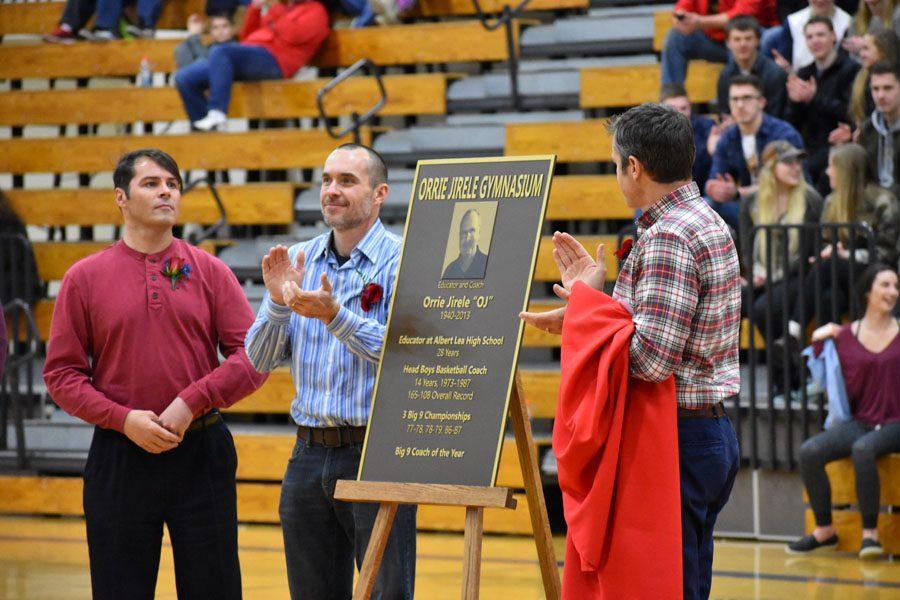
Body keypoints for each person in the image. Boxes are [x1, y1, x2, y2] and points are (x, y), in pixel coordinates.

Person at [522, 103, 741, 600]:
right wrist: (585, 315)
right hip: (704, 430)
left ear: (635, 166)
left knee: (664, 586)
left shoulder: (668, 236)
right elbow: (648, 327)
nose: (617, 176)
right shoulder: (702, 219)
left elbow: (649, 359)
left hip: (675, 439)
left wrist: (589, 305)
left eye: (616, 164)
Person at [42, 149, 268, 599]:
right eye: (151, 183)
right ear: (121, 198)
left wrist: (191, 401)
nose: (166, 190)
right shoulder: (84, 278)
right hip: (119, 455)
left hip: (201, 450)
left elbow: (254, 356)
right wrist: (122, 419)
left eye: (172, 183)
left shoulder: (210, 271)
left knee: (215, 589)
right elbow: (62, 375)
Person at [244, 144, 416, 600]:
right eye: (326, 180)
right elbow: (259, 359)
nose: (331, 191)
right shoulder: (297, 260)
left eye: (346, 181)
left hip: (375, 452)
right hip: (305, 453)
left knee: (387, 594)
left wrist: (334, 316)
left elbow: (404, 351)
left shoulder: (406, 260)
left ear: (379, 193)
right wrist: (280, 305)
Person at [787, 263, 900, 560]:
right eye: (885, 285)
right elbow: (817, 364)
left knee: (863, 449)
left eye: (896, 286)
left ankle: (870, 536)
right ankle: (825, 529)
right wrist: (818, 336)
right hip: (862, 421)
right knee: (810, 451)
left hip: (896, 422)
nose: (893, 292)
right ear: (868, 292)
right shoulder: (846, 336)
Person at [784, 143, 900, 339]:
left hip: (876, 273)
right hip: (841, 276)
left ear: (846, 170)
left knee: (830, 265)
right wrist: (828, 250)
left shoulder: (883, 201)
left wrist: (848, 254)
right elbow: (823, 239)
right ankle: (830, 360)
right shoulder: (831, 202)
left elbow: (887, 253)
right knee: (830, 298)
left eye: (832, 166)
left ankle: (793, 330)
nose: (828, 172)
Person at [174, 0, 331, 131]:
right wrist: (255, 9)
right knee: (184, 77)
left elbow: (293, 36)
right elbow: (246, 36)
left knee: (220, 51)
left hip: (276, 61)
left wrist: (274, 7)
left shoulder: (316, 11)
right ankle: (203, 130)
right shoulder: (285, 8)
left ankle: (218, 111)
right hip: (251, 53)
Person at [740, 141, 823, 338]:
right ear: (771, 168)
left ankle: (784, 365)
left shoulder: (811, 200)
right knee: (731, 303)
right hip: (763, 275)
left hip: (799, 276)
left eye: (798, 163)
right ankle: (786, 363)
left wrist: (771, 276)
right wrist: (757, 273)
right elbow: (747, 247)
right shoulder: (751, 203)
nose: (796, 168)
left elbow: (806, 255)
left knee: (762, 309)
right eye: (788, 163)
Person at [707, 74, 804, 231]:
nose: (740, 105)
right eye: (735, 99)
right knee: (708, 207)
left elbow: (793, 181)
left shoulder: (783, 134)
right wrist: (716, 188)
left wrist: (738, 192)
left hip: (781, 201)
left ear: (761, 102)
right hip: (747, 206)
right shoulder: (727, 138)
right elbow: (715, 177)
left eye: (746, 98)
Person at [785, 16, 861, 192]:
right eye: (810, 37)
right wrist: (795, 103)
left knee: (810, 168)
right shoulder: (804, 73)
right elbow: (791, 124)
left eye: (820, 35)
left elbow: (851, 113)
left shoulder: (851, 69)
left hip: (839, 144)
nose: (815, 41)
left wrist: (814, 97)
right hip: (809, 146)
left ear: (833, 36)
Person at [660, 0, 779, 85]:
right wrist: (679, 17)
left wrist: (699, 22)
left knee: (739, 40)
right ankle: (672, 99)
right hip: (713, 40)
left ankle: (742, 101)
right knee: (676, 36)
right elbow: (683, 6)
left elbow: (742, 16)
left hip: (749, 39)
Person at [716, 16, 788, 118]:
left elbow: (776, 115)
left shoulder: (775, 74)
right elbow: (723, 113)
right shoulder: (725, 74)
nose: (743, 44)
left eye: (748, 38)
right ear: (728, 43)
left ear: (757, 41)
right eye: (737, 39)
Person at [762, 0, 853, 71]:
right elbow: (784, 61)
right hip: (800, 80)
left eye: (820, 35)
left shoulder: (848, 23)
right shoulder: (793, 22)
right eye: (809, 37)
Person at [661, 83, 715, 191]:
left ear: (690, 108)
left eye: (684, 108)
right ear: (661, 110)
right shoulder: (652, 133)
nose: (679, 114)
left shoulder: (707, 127)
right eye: (673, 109)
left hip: (703, 194)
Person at [846, 29, 900, 132]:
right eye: (875, 89)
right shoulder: (861, 78)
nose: (861, 54)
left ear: (883, 50)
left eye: (866, 49)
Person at [858, 61, 900, 193]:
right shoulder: (868, 130)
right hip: (875, 202)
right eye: (875, 89)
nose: (880, 95)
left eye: (888, 88)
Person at [442, 208, 489, 279]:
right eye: (464, 232)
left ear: (479, 234)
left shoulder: (487, 264)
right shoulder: (449, 271)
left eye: (472, 231)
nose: (467, 238)